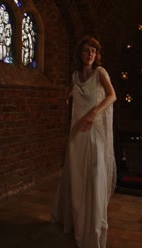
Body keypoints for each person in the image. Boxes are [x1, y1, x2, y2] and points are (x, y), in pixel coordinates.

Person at [51, 36, 117, 248]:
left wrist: (93, 114)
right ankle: (74, 219)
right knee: (76, 175)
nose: (90, 54)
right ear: (80, 54)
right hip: (76, 133)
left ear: (96, 55)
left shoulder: (100, 73)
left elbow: (112, 96)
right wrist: (67, 96)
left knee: (94, 174)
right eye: (87, 50)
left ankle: (92, 227)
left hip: (93, 131)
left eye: (94, 51)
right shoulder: (75, 75)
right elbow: (73, 88)